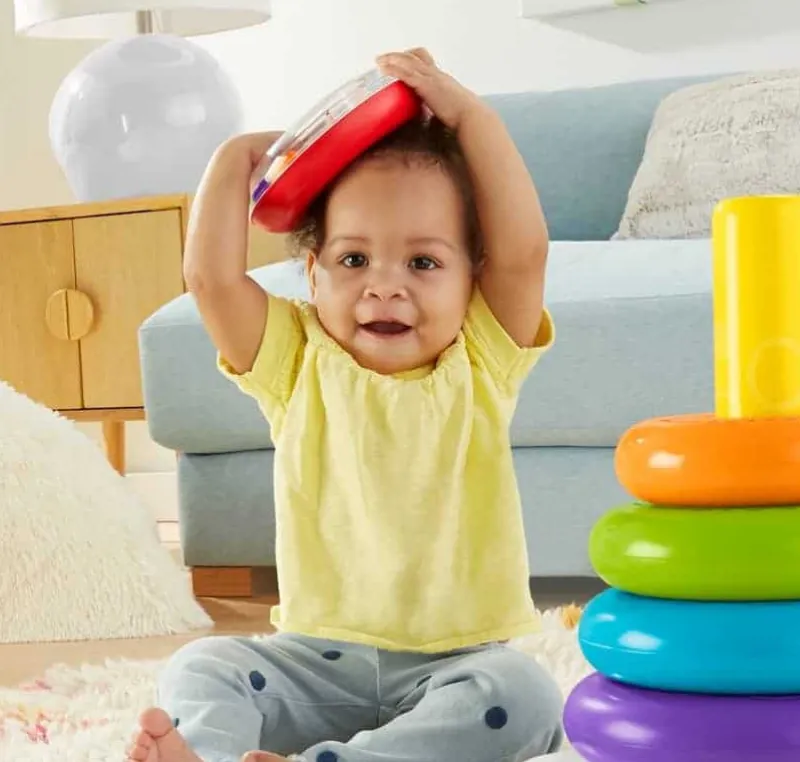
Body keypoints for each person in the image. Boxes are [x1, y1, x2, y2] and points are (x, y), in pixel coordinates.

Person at [127, 48, 563, 762]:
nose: (384, 286)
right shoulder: (296, 360)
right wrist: (237, 159)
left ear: (471, 279)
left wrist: (469, 115)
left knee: (523, 696)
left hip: (452, 667)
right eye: (353, 260)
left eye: (423, 262)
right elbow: (210, 278)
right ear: (313, 275)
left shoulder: (483, 360)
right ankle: (204, 754)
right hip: (312, 668)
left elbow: (525, 253)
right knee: (201, 666)